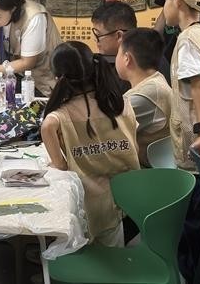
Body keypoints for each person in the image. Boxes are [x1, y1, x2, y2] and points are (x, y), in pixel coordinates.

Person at [40, 41, 140, 247]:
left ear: (58, 78)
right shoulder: (121, 104)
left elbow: (58, 160)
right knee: (113, 253)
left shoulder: (59, 117)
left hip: (87, 205)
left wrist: (55, 164)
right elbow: (133, 147)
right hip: (126, 199)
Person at [159, 0, 200, 282]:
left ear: (178, 0)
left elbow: (198, 84)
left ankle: (198, 274)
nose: (165, 5)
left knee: (195, 220)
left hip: (198, 147)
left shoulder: (187, 42)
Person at [115, 28, 171, 167]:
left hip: (148, 174)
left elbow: (105, 127)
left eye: (118, 53)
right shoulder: (155, 83)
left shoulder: (146, 95)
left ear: (127, 58)